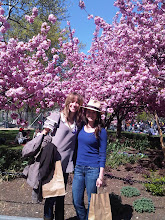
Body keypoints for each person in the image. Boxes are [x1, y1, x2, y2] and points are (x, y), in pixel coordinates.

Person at [41, 92, 83, 220]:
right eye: (72, 101)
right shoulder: (57, 116)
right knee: (50, 197)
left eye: (77, 102)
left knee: (60, 196)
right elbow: (44, 132)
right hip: (53, 162)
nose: (74, 104)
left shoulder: (78, 121)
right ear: (67, 102)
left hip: (65, 164)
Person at [72, 99, 107, 220]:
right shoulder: (80, 126)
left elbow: (102, 154)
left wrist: (101, 176)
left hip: (93, 169)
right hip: (78, 168)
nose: (90, 114)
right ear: (85, 112)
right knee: (76, 200)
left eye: (93, 112)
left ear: (97, 115)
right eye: (88, 111)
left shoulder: (101, 131)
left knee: (91, 201)